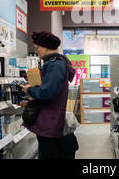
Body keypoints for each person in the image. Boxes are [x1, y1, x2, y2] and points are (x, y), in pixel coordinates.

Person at [21, 31, 79, 159]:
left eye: (37, 48)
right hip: (51, 120)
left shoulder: (55, 65)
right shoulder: (55, 63)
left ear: (46, 47)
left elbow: (46, 93)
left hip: (49, 122)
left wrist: (29, 90)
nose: (36, 51)